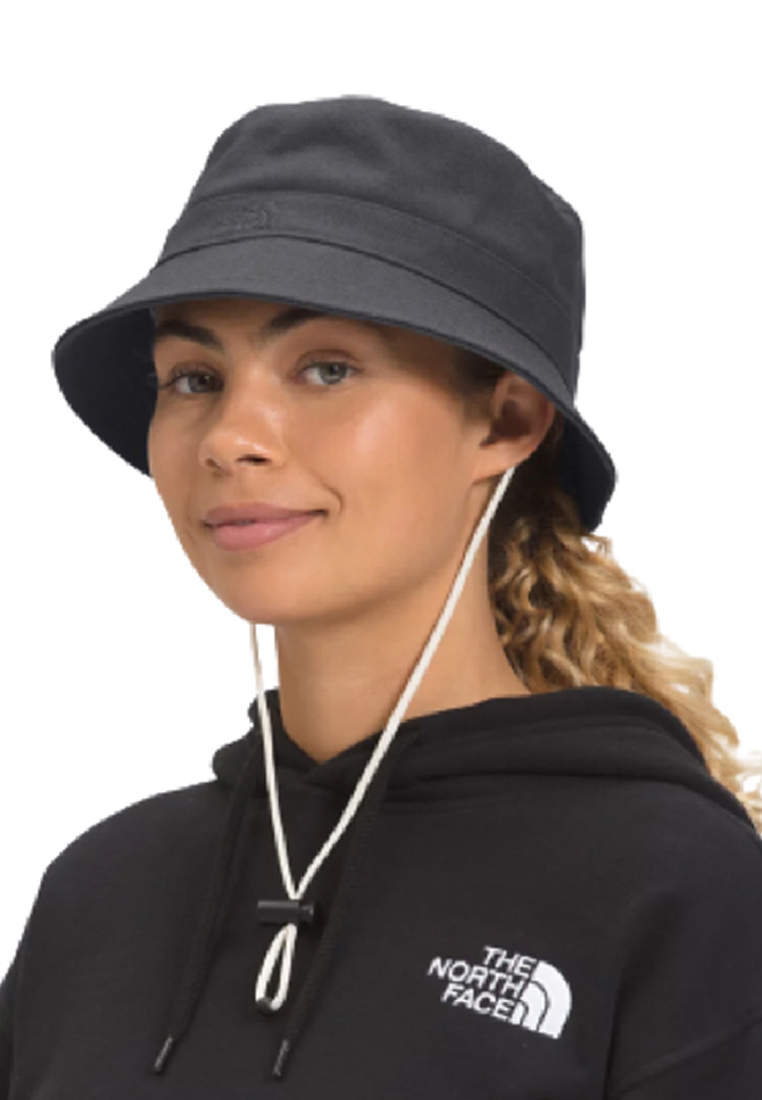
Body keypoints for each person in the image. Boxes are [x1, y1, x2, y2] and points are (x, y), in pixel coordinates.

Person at [1, 94, 761, 1098]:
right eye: (193, 377)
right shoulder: (101, 889)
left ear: (506, 420)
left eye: (326, 368)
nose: (230, 437)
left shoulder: (679, 889)